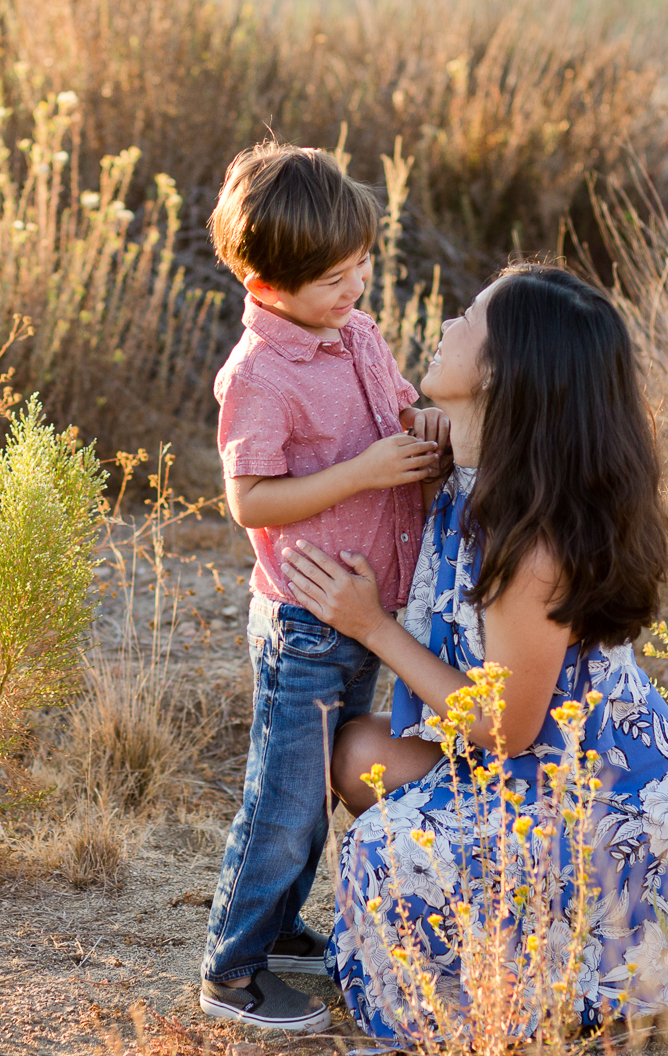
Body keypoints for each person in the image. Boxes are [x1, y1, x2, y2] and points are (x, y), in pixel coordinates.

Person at [277, 264, 668, 1040]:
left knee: (384, 846)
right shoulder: (479, 466)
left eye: (470, 318)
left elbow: (503, 726)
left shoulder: (533, 540)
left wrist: (373, 625)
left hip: (594, 790)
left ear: (503, 371)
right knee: (354, 752)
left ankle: (551, 973)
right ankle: (528, 938)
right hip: (536, 758)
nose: (448, 323)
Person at [199, 142, 452, 1033]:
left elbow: (396, 405)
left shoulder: (357, 333)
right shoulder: (258, 374)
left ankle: (275, 928)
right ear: (267, 282)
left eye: (362, 267)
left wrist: (420, 421)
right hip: (306, 621)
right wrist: (362, 471)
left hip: (358, 615)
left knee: (313, 797)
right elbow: (248, 497)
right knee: (286, 797)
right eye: (336, 278)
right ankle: (231, 967)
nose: (357, 286)